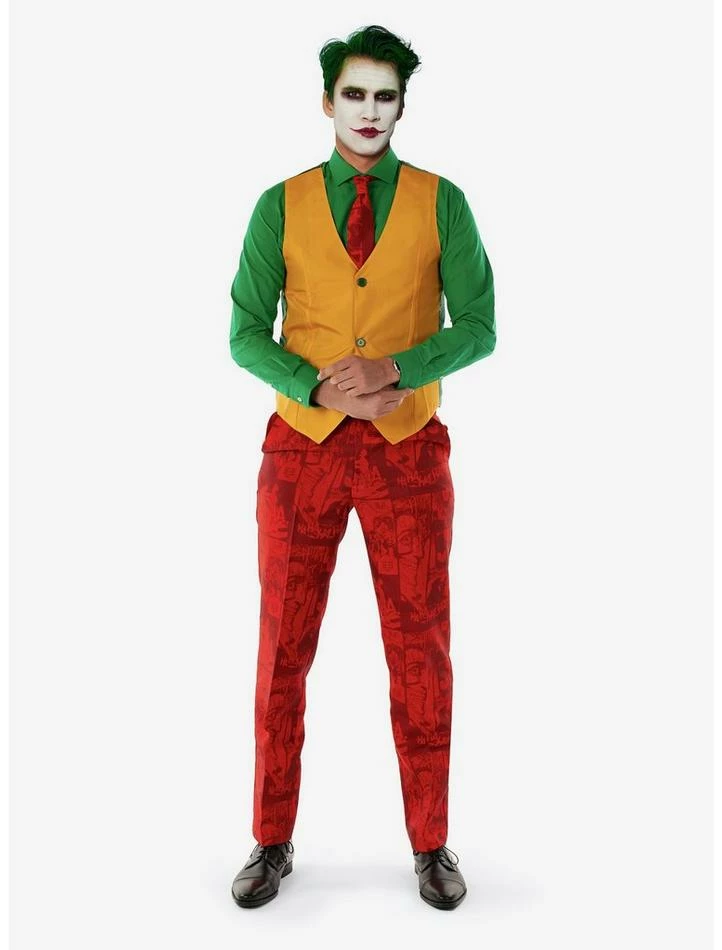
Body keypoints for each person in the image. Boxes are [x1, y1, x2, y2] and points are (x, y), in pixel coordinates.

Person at [228, 23, 495, 911]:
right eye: (355, 94)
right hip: (299, 453)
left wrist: (399, 369)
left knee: (421, 649)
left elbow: (480, 325)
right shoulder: (280, 204)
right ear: (327, 102)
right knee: (282, 649)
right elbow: (244, 332)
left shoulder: (442, 202)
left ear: (402, 106)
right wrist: (313, 385)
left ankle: (431, 843)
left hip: (408, 453)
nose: (369, 111)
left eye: (385, 96)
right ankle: (270, 838)